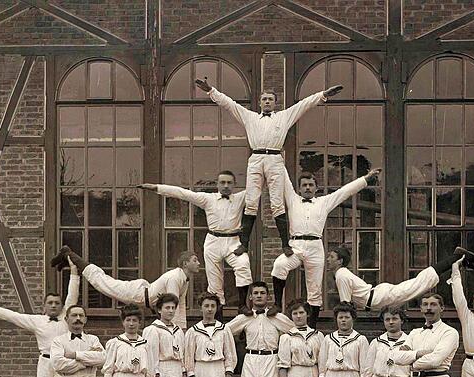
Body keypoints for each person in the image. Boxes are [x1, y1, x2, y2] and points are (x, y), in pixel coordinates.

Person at [194, 78, 343, 258]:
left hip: (274, 158)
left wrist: (323, 95)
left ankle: (285, 244)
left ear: (275, 103)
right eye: (264, 99)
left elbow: (304, 105)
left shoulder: (284, 116)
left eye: (270, 100)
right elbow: (229, 104)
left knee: (277, 203)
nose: (267, 102)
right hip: (256, 158)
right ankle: (244, 244)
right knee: (251, 200)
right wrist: (210, 90)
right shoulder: (249, 117)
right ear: (259, 102)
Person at [271, 168, 382, 329]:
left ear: (316, 187)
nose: (307, 188)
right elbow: (285, 180)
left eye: (310, 185)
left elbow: (345, 191)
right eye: (304, 185)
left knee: (314, 289)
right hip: (296, 245)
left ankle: (312, 326)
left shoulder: (324, 202)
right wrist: (276, 157)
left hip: (315, 246)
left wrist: (366, 178)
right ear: (299, 188)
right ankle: (276, 304)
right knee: (279, 265)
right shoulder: (293, 199)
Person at [137, 171, 252, 318]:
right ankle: (217, 320)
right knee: (215, 282)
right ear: (217, 184)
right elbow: (183, 193)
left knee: (243, 264)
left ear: (234, 185)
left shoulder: (240, 198)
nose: (226, 186)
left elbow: (257, 186)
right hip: (213, 242)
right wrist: (157, 188)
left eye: (229, 183)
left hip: (233, 241)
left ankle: (242, 305)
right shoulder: (208, 199)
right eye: (222, 182)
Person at [53, 247, 200, 329]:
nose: (199, 263)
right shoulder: (175, 277)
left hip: (144, 293)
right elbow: (171, 307)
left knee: (104, 282)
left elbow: (180, 306)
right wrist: (176, 329)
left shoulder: (184, 279)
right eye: (195, 260)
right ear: (185, 264)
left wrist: (182, 329)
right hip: (138, 294)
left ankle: (70, 260)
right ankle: (70, 255)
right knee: (103, 283)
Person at [328, 245, 474, 311]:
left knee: (420, 283)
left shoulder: (341, 274)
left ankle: (456, 257)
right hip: (378, 298)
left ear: (340, 261)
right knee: (419, 284)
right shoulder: (341, 274)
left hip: (378, 297)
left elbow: (345, 306)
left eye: (331, 256)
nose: (328, 259)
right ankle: (458, 261)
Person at [391, 293, 459, 377]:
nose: (429, 308)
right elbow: (396, 357)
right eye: (425, 305)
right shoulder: (415, 333)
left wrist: (411, 362)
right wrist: (419, 353)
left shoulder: (449, 332)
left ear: (442, 308)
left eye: (433, 305)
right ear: (421, 309)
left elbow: (435, 360)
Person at [226, 281, 294, 377]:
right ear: (250, 297)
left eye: (262, 293)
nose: (259, 296)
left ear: (268, 297)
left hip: (271, 359)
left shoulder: (277, 317)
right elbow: (224, 332)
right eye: (255, 293)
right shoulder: (244, 318)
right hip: (251, 359)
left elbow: (295, 330)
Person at [184, 292, 237, 377]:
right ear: (201, 307)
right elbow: (188, 357)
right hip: (200, 371)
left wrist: (228, 375)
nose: (209, 309)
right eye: (206, 305)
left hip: (219, 371)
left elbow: (230, 354)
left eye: (213, 306)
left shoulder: (224, 330)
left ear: (217, 308)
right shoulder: (193, 331)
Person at [143, 293, 187, 377]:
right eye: (167, 307)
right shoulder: (152, 330)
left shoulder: (178, 330)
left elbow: (183, 357)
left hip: (176, 373)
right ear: (160, 310)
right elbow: (151, 359)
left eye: (173, 308)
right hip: (162, 372)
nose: (171, 311)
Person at [278, 299, 324, 377]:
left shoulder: (318, 336)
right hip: (295, 376)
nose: (298, 316)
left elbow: (322, 363)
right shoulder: (286, 337)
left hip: (313, 375)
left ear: (307, 314)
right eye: (295, 313)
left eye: (301, 312)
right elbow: (283, 366)